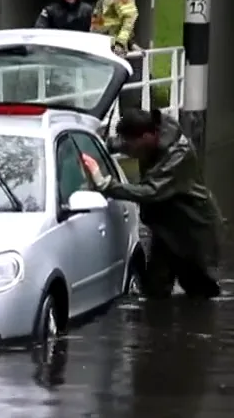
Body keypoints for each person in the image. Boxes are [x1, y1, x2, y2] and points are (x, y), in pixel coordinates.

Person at [79, 108, 221, 300]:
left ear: (147, 136)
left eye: (132, 146)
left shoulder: (178, 154)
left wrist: (106, 184)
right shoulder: (144, 137)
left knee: (200, 293)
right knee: (155, 291)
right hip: (164, 226)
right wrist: (96, 144)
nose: (129, 151)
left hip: (193, 229)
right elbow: (120, 143)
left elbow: (151, 191)